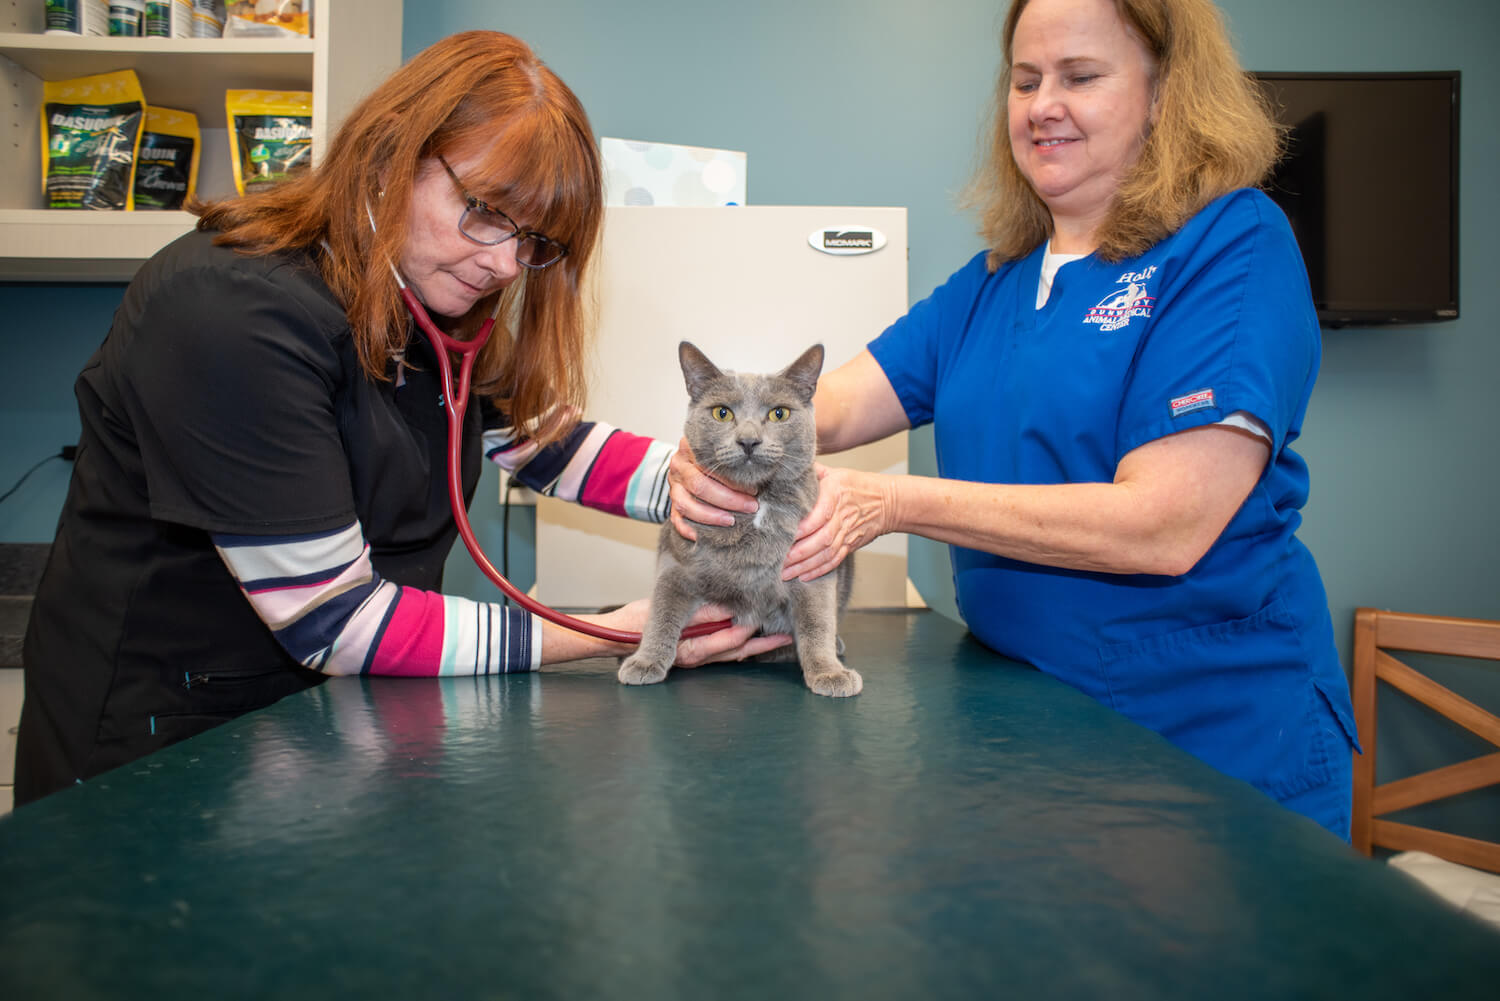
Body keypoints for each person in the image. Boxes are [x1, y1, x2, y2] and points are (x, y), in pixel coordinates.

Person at [15, 31, 786, 806]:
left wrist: (713, 482)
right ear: (392, 153)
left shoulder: (427, 294)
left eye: (536, 242)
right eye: (485, 213)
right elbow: (338, 620)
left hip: (316, 737)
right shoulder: (230, 310)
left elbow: (544, 441)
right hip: (163, 750)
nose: (504, 265)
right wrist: (624, 629)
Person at [670, 0, 1359, 838]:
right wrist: (714, 439)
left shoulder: (1231, 243)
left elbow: (1166, 523)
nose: (1042, 105)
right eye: (1026, 80)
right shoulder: (994, 282)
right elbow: (837, 401)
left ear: (1165, 92)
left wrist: (891, 503)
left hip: (1207, 743)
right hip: (1024, 726)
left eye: (1081, 76)